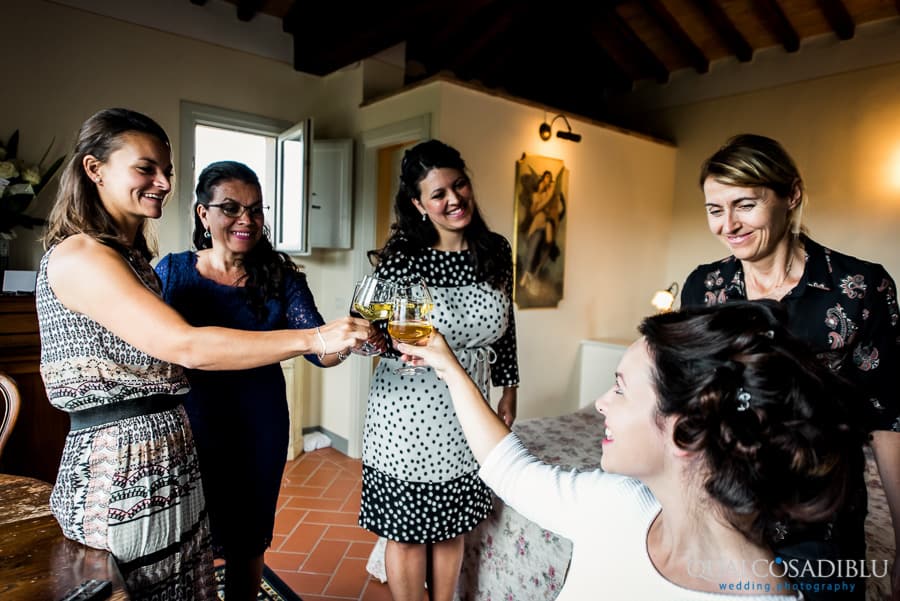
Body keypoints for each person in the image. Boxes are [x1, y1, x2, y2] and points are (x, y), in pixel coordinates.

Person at [36, 108, 371, 600]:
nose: (161, 181)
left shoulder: (141, 263)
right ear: (95, 169)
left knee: (198, 572)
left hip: (196, 440)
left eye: (166, 171)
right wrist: (315, 339)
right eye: (145, 168)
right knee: (140, 586)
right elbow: (183, 345)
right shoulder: (95, 257)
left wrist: (338, 341)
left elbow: (317, 347)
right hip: (139, 455)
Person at [397, 301, 866, 600]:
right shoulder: (617, 504)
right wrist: (446, 362)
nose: (600, 403)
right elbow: (510, 470)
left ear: (686, 432)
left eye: (619, 388)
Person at [680, 134, 900, 600]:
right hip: (724, 514)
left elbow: (888, 420)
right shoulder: (705, 288)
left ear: (791, 195)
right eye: (714, 209)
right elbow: (692, 409)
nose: (728, 225)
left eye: (745, 204)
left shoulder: (859, 289)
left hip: (822, 520)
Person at [154, 161, 365, 600]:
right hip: (190, 425)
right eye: (230, 208)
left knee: (248, 540)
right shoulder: (172, 272)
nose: (246, 220)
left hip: (258, 427)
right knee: (185, 538)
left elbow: (319, 350)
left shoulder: (281, 279)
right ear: (203, 214)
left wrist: (350, 339)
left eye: (255, 209)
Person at [360, 139, 519, 601]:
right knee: (406, 530)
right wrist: (389, 340)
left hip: (468, 407)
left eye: (460, 184)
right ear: (418, 204)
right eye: (438, 193)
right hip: (407, 410)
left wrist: (508, 387)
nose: (453, 200)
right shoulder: (404, 257)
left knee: (452, 525)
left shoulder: (494, 249)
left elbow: (507, 325)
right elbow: (368, 329)